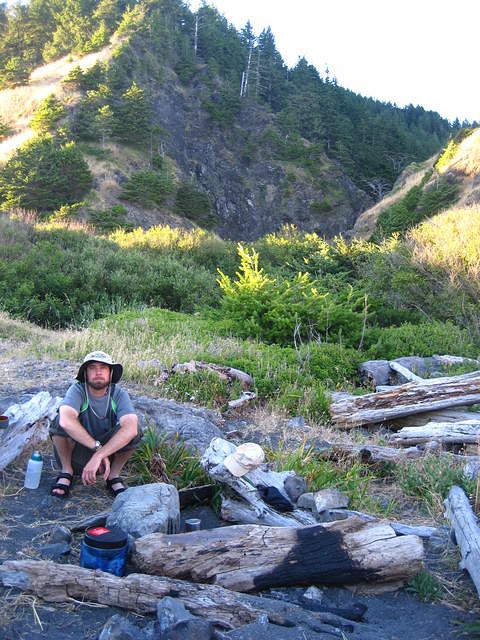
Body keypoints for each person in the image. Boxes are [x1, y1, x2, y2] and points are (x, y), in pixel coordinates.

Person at [49, 351, 141, 499]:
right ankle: (67, 471)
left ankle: (113, 476)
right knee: (59, 420)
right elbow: (66, 420)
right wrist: (97, 448)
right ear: (85, 373)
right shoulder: (78, 390)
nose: (98, 372)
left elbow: (130, 427)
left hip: (105, 461)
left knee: (135, 430)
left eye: (103, 367)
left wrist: (99, 455)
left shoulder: (118, 394)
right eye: (92, 367)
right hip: (77, 455)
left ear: (110, 372)